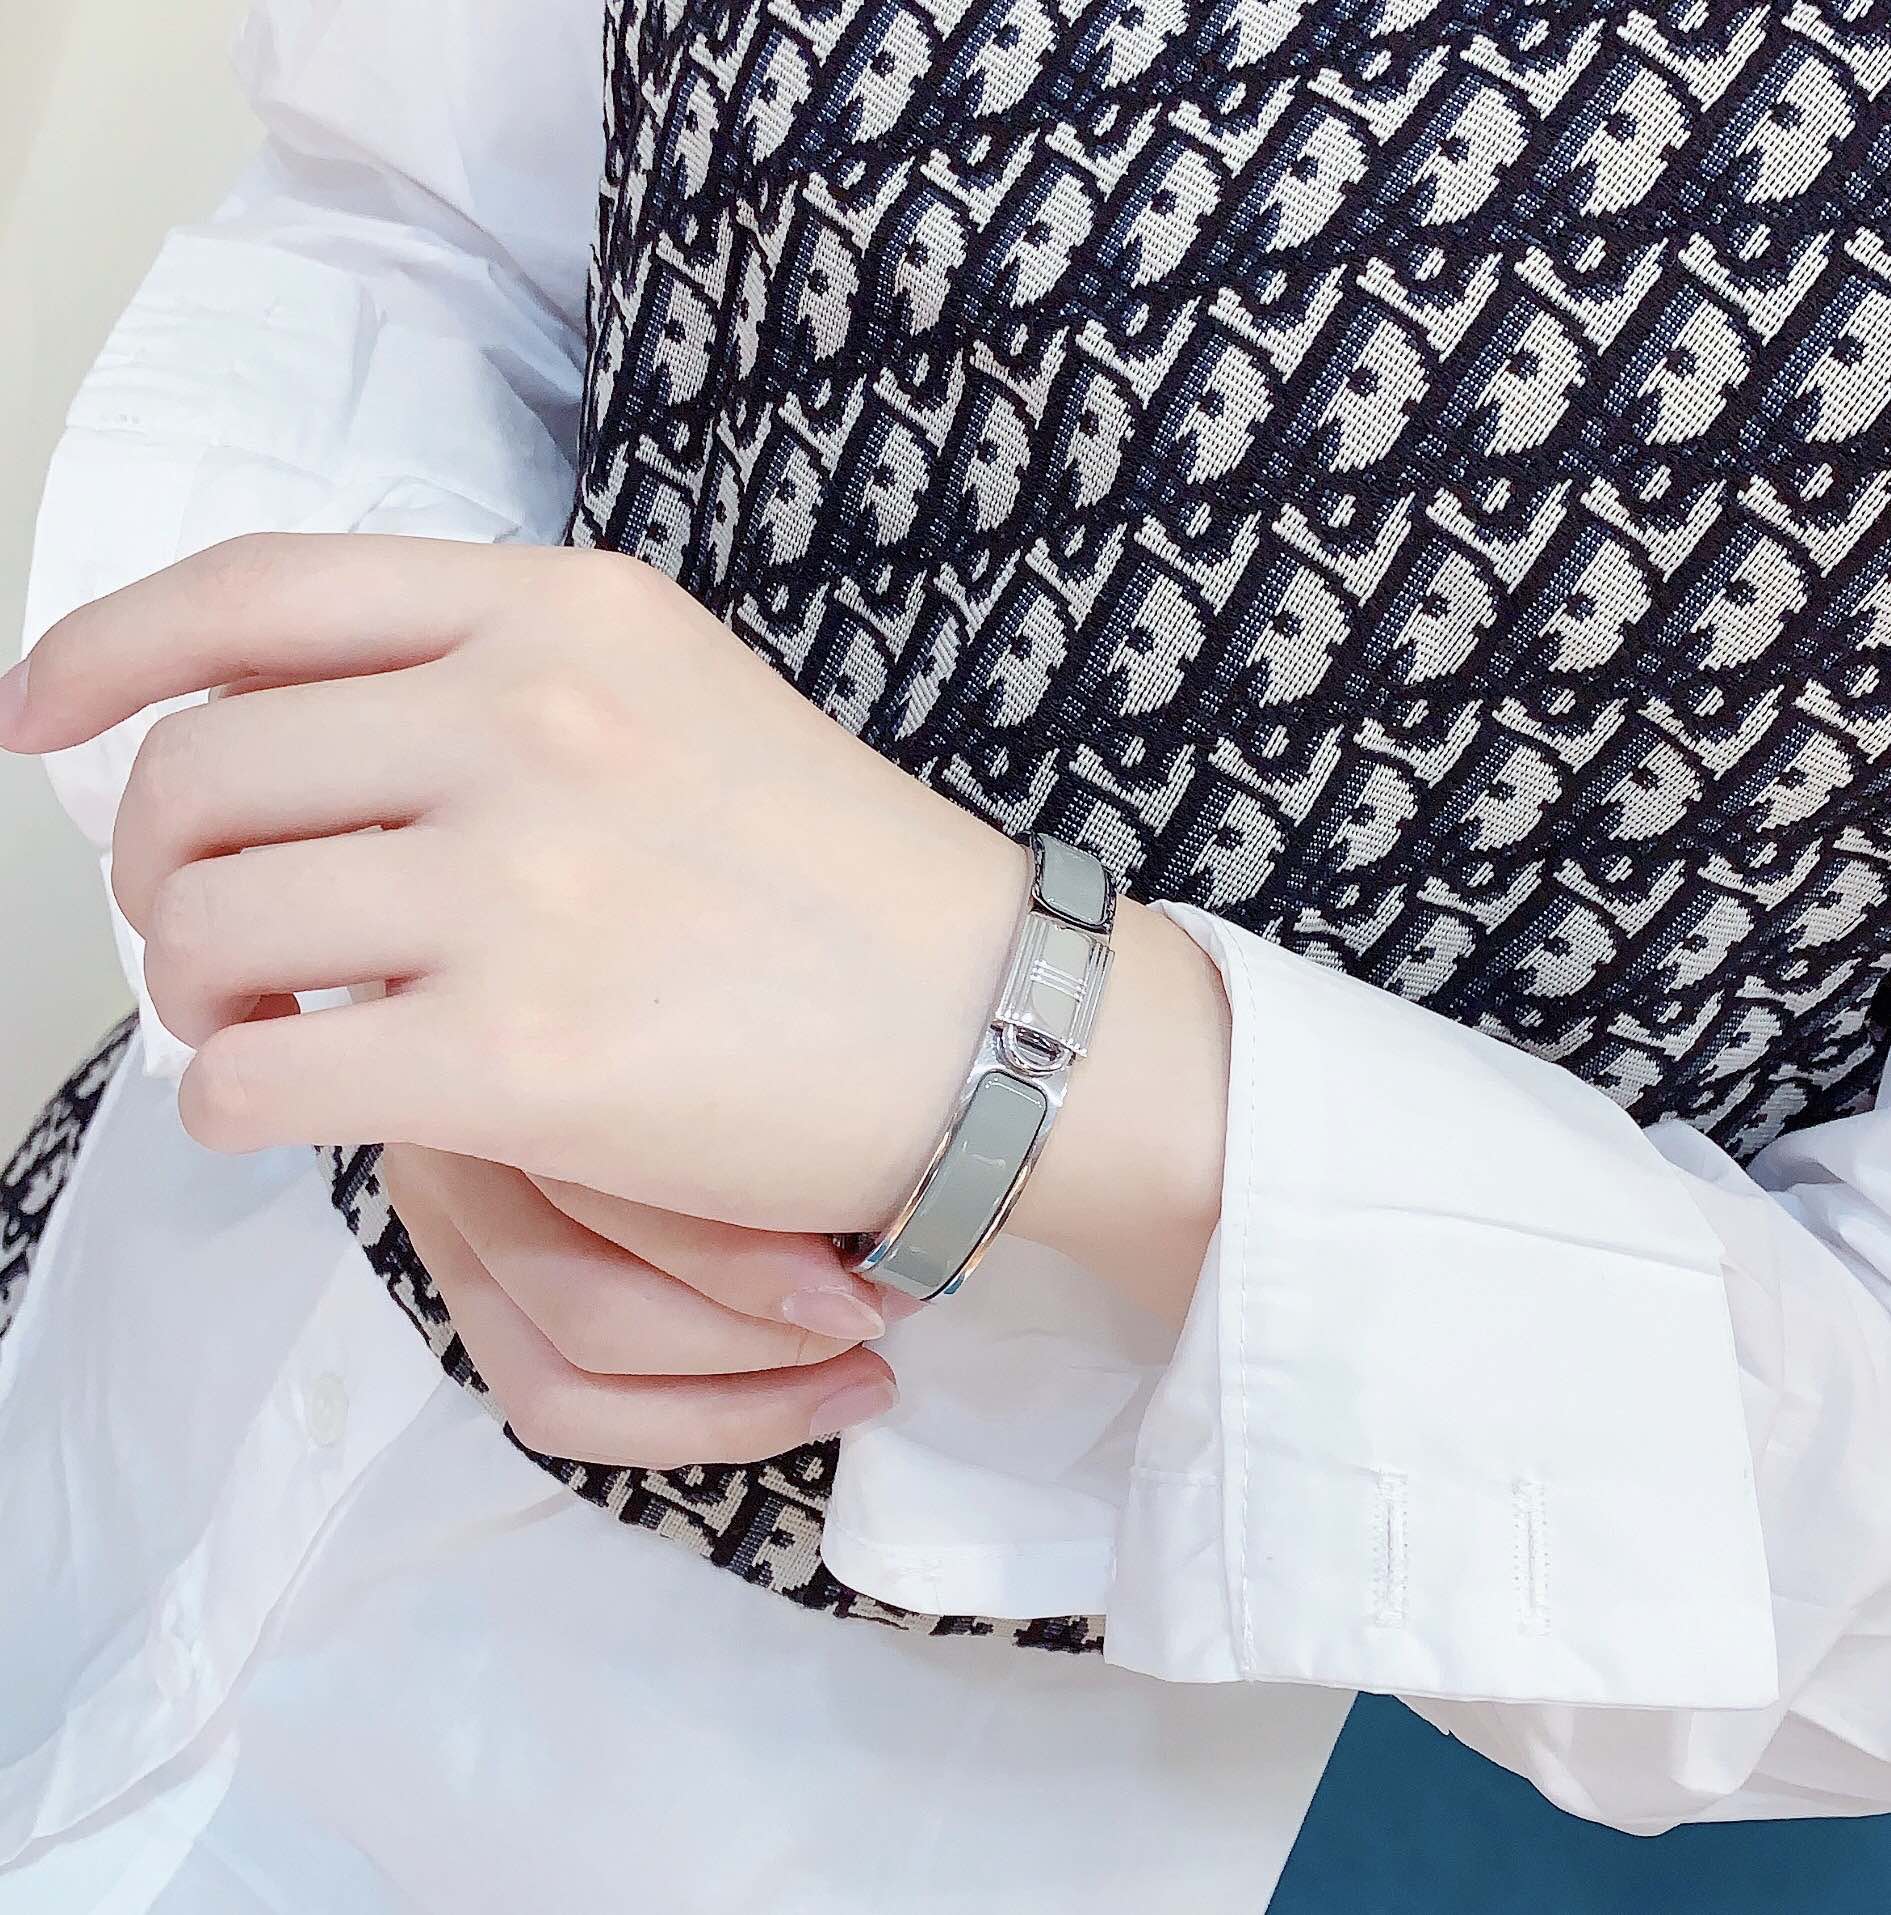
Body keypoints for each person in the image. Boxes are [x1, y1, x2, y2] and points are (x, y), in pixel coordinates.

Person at [3, 0, 1891, 1909]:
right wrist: (379, 945)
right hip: (172, 1318)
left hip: (958, 1789)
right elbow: (432, 213)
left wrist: (1048, 1051)